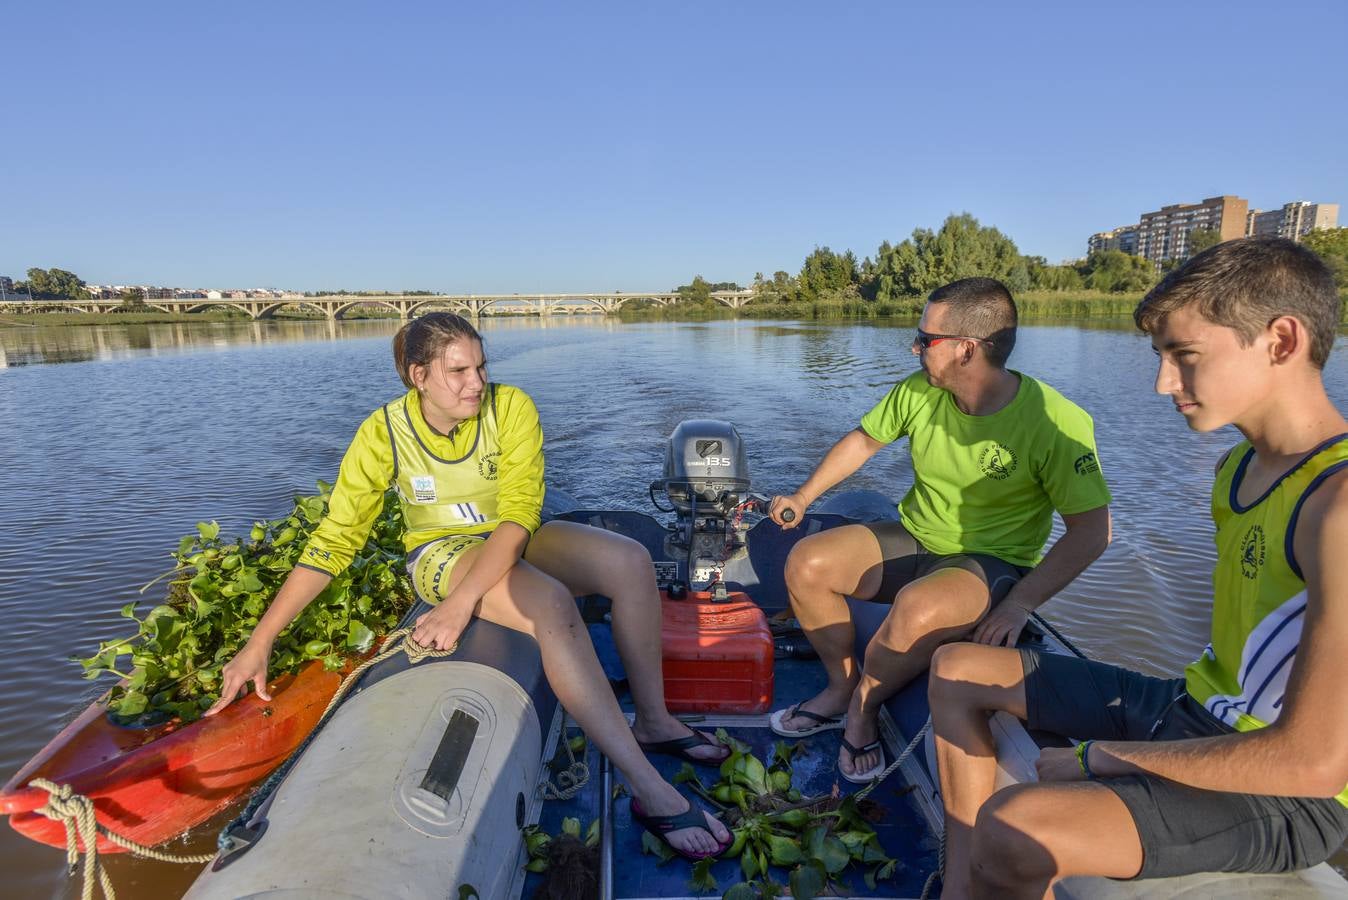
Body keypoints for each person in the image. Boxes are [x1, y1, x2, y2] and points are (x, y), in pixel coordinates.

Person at [206, 312, 731, 859]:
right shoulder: (383, 433)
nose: (477, 383)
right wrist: (259, 640)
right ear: (419, 376)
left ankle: (653, 720)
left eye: (480, 367)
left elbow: (520, 514)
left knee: (631, 561)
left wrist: (464, 606)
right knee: (549, 604)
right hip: (442, 554)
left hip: (512, 532)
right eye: (458, 371)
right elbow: (335, 541)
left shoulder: (511, 407)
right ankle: (647, 787)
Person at [928, 237, 1348, 897]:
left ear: (1282, 340)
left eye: (1184, 357)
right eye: (1160, 358)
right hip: (1190, 711)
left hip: (1285, 794)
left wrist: (1096, 759)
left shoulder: (1339, 506)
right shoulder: (1235, 467)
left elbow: (1314, 763)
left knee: (1016, 826)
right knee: (955, 672)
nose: (1162, 383)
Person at [768, 277, 1112, 783]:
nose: (914, 347)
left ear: (966, 350)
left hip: (989, 560)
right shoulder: (919, 392)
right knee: (806, 562)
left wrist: (1021, 603)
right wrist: (803, 496)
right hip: (917, 535)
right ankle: (840, 688)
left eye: (925, 340)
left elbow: (1091, 533)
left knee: (918, 607)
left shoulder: (1055, 423)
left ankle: (862, 708)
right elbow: (864, 442)